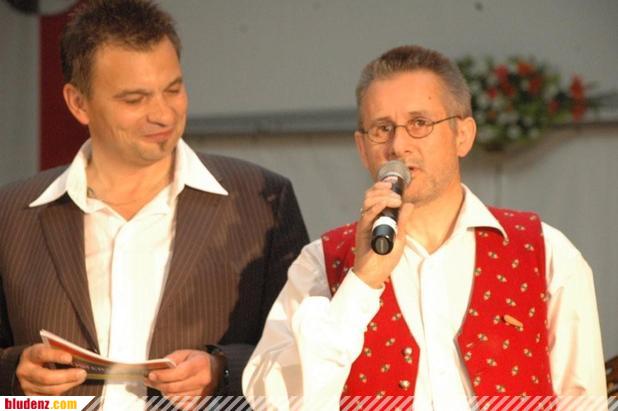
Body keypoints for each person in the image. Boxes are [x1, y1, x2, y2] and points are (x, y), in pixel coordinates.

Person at [242, 45, 607, 410]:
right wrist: (362, 282)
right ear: (362, 148)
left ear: (463, 135)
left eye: (419, 123)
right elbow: (275, 402)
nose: (398, 145)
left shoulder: (546, 252)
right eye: (382, 129)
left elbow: (583, 402)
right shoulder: (321, 263)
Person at [0, 0, 308, 408]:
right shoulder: (12, 214)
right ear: (78, 103)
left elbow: (304, 353)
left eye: (173, 89)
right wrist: (14, 369)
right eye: (134, 99)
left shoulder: (262, 200)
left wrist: (223, 370)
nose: (162, 114)